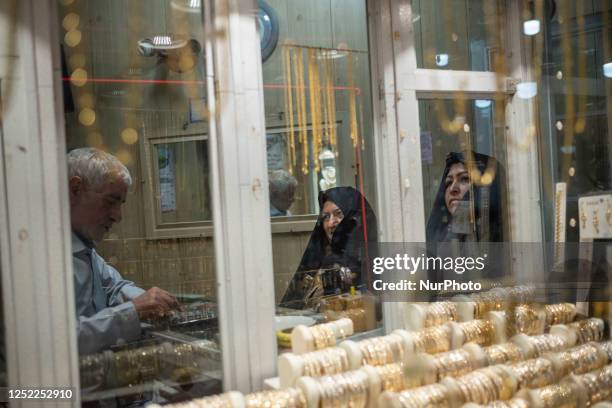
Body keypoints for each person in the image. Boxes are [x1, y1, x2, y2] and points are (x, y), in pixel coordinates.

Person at [68, 148, 179, 355]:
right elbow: (59, 341)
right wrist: (134, 311)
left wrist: (151, 301)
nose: (117, 217)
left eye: (121, 204)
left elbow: (114, 288)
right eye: (110, 201)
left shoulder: (85, 250)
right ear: (75, 189)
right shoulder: (39, 258)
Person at [279, 186, 377, 309]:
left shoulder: (372, 260)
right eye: (326, 217)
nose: (330, 223)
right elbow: (293, 306)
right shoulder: (319, 259)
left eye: (338, 214)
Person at [426, 151, 504, 243]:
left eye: (465, 179)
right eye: (448, 182)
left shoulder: (505, 238)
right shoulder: (440, 242)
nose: (452, 188)